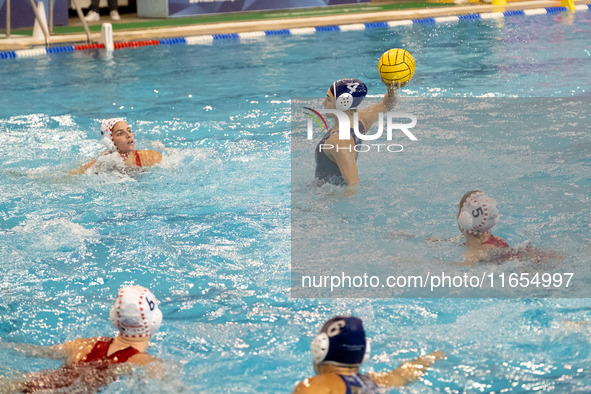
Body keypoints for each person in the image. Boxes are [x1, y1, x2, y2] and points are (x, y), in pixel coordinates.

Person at [3, 285, 165, 392]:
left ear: (114, 318)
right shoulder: (147, 363)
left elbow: (31, 351)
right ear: (155, 319)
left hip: (28, 385)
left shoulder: (82, 345)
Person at [293, 316, 445, 393]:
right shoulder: (374, 382)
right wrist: (436, 355)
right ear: (364, 353)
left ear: (319, 347)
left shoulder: (315, 386)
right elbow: (405, 374)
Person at [314, 78, 399, 196]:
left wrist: (337, 210)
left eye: (328, 99)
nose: (324, 103)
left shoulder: (339, 141)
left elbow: (354, 185)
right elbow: (386, 105)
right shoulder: (361, 119)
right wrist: (391, 89)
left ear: (342, 103)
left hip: (328, 201)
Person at [457, 190, 561, 265]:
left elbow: (459, 270)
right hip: (529, 258)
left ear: (464, 218)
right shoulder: (498, 239)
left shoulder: (474, 254)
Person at [70, 118, 162, 174]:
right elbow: (73, 174)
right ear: (109, 141)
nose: (129, 135)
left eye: (129, 130)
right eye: (120, 133)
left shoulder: (150, 157)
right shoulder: (101, 163)